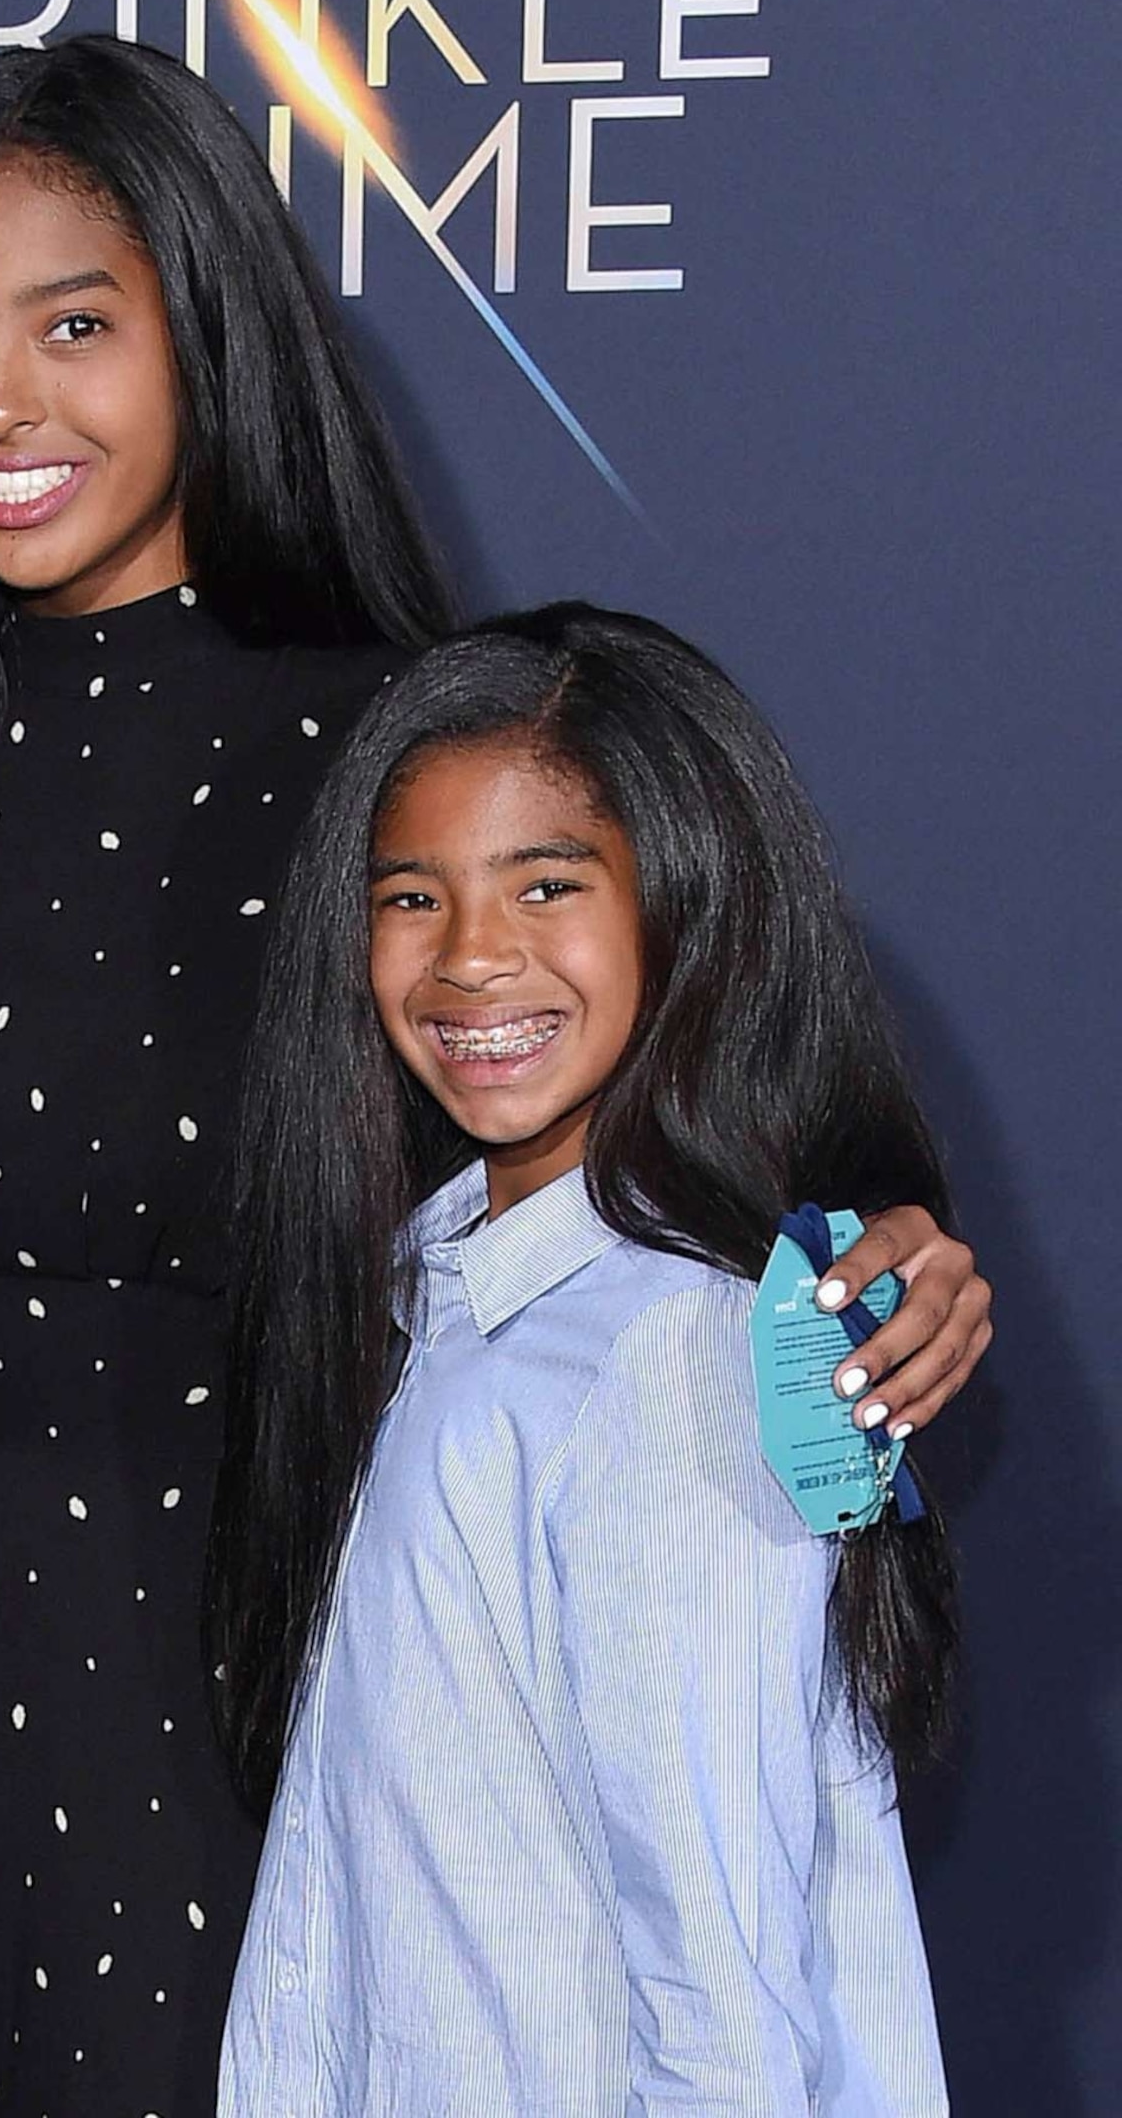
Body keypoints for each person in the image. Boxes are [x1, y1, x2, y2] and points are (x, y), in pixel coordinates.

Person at [0, 36, 990, 2115]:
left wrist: (880, 1270)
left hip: (251, 1706)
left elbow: (701, 1162)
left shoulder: (384, 753)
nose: (0, 405)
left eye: (76, 324)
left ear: (212, 323)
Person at [209, 603, 954, 2113]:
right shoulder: (432, 1294)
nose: (473, 958)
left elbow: (719, 1981)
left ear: (686, 903)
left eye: (547, 883)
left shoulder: (666, 1354)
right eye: (411, 896)